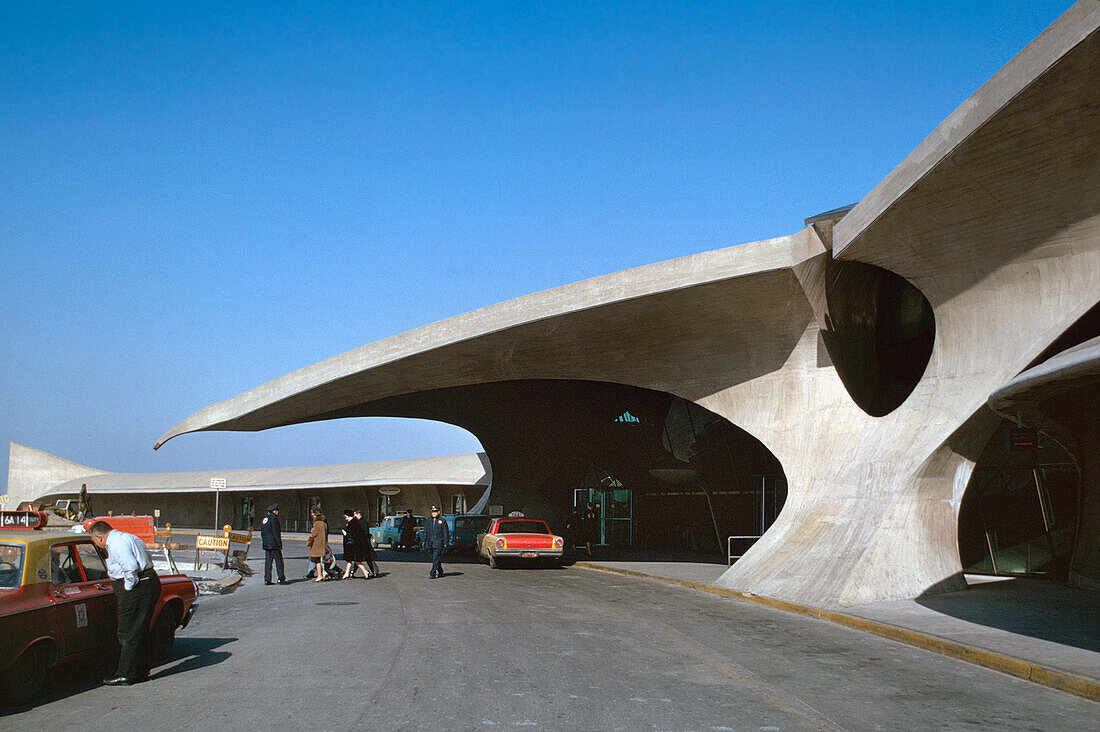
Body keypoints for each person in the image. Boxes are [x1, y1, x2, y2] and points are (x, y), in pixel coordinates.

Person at [88, 520, 161, 685]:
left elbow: (130, 567)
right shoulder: (127, 537)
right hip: (147, 580)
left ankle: (126, 673)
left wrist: (128, 588)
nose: (97, 545)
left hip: (137, 585)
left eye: (94, 541)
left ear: (99, 537)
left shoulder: (116, 544)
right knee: (139, 629)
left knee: (128, 631)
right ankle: (139, 672)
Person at [260, 503, 288, 585]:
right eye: (277, 511)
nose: (278, 512)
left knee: (268, 562)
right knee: (279, 562)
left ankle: (267, 579)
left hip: (267, 544)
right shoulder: (274, 519)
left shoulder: (265, 519)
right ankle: (281, 578)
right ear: (274, 511)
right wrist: (279, 544)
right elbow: (276, 533)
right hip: (274, 544)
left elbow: (262, 532)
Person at [340, 509, 371, 579]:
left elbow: (354, 535)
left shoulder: (353, 523)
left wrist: (346, 534)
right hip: (354, 545)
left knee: (356, 560)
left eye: (346, 517)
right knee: (350, 560)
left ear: (349, 516)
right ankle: (346, 573)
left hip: (354, 545)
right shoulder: (354, 522)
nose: (345, 519)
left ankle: (365, 572)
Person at [423, 505, 450, 579]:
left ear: (438, 512)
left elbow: (445, 533)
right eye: (432, 511)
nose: (434, 513)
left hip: (438, 543)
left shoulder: (442, 520)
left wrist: (445, 543)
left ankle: (433, 573)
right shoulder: (428, 520)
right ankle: (440, 571)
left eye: (435, 511)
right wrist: (423, 541)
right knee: (434, 558)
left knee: (435, 557)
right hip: (430, 543)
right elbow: (425, 531)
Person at [354, 509, 380, 577]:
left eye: (355, 514)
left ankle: (375, 571)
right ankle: (351, 572)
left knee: (363, 558)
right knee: (360, 558)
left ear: (358, 514)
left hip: (364, 543)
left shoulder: (362, 522)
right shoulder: (360, 521)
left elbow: (364, 532)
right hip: (363, 543)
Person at [308, 508, 328, 582]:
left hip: (316, 544)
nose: (311, 515)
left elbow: (314, 533)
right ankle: (324, 572)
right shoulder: (323, 523)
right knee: (318, 559)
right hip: (322, 543)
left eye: (312, 513)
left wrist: (312, 529)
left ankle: (319, 575)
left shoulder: (316, 523)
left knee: (316, 560)